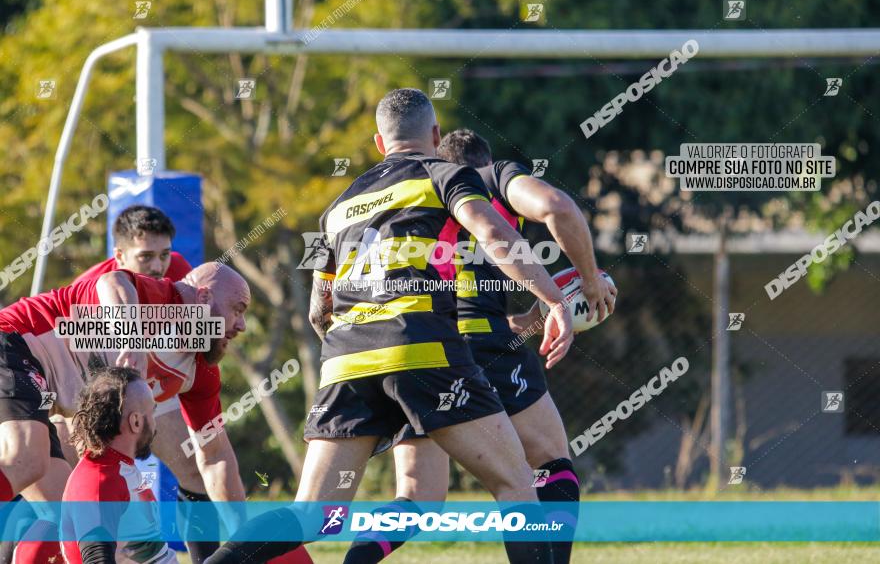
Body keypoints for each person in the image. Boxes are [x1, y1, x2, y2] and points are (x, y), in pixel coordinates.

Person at [205, 88, 573, 564]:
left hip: (344, 360)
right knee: (518, 484)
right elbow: (493, 233)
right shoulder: (447, 173)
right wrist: (554, 299)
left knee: (314, 513)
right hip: (424, 351)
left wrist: (360, 362)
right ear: (435, 135)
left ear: (379, 143)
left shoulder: (335, 207)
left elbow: (321, 309)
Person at [344, 128, 617, 563]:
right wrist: (587, 278)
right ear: (483, 161)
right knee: (550, 466)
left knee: (418, 498)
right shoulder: (490, 180)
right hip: (486, 346)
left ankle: (355, 560)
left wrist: (527, 322)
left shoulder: (414, 197)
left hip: (422, 347)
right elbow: (556, 206)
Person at [0, 262, 248, 563]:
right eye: (238, 308)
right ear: (205, 298)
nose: (242, 324)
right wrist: (133, 343)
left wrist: (245, 540)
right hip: (13, 341)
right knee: (26, 459)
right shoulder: (168, 301)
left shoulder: (201, 373)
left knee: (70, 518)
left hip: (41, 391)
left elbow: (216, 456)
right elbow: (112, 280)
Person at [60, 366, 177, 563]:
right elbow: (97, 559)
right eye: (152, 413)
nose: (155, 424)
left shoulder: (117, 466)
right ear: (136, 422)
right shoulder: (100, 481)